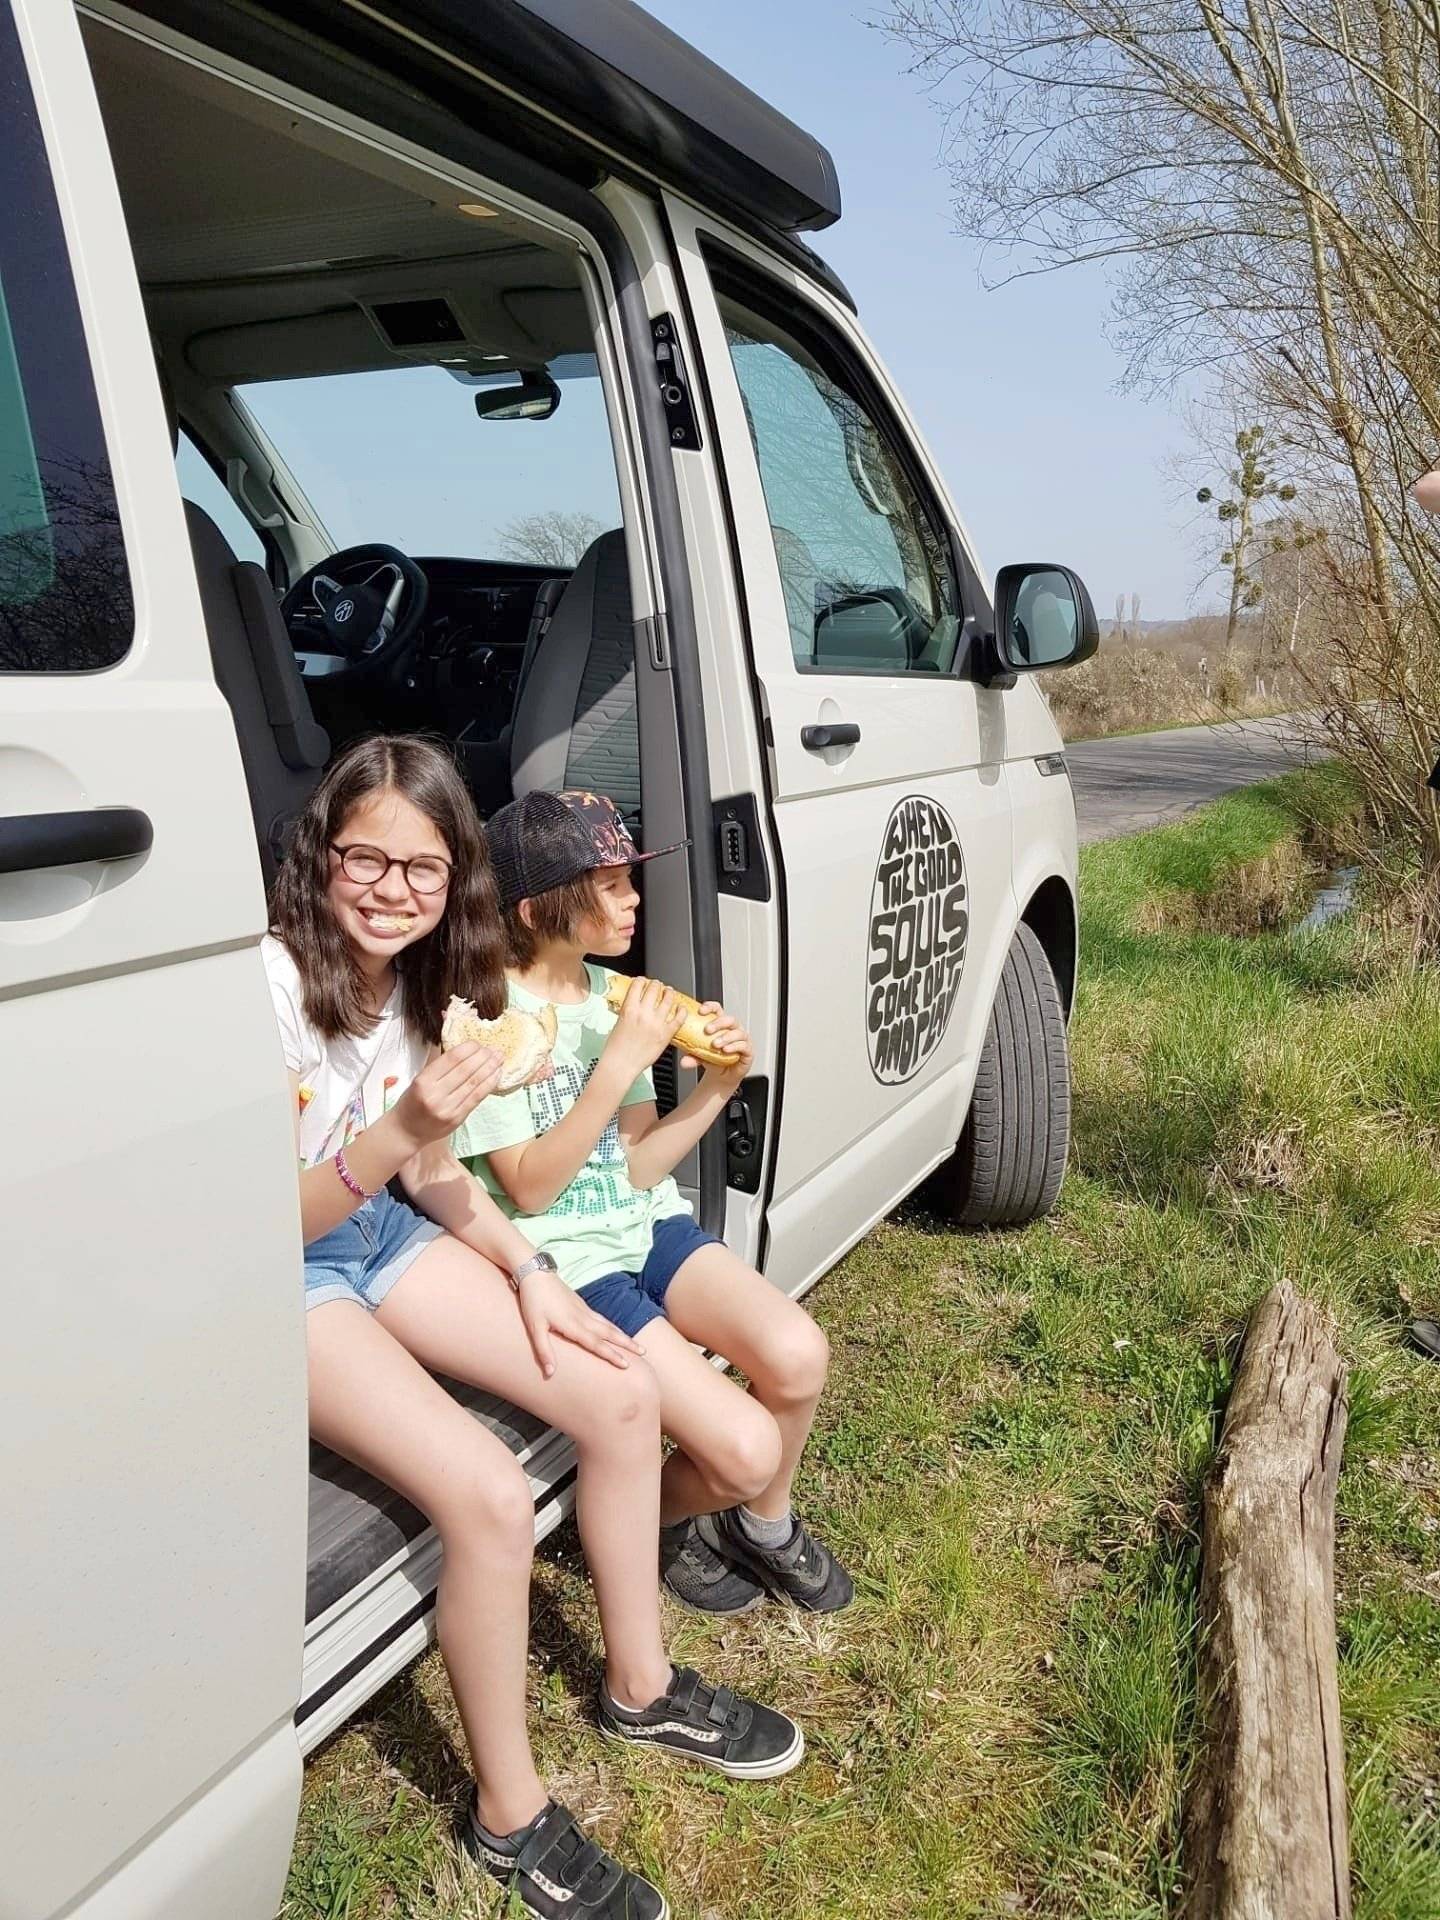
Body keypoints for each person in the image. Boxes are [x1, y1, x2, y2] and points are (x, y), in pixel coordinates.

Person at [267, 737, 803, 1920]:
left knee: (618, 1391)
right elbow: (268, 1216)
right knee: (492, 1498)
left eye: (425, 867)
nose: (394, 889)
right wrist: (405, 1122)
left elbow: (444, 1178)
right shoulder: (261, 989)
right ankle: (509, 1819)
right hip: (283, 1274)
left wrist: (528, 1269)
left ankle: (641, 1683)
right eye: (368, 858)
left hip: (384, 1237)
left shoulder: (423, 987)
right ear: (321, 854)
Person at [453, 788, 854, 1617]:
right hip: (568, 1262)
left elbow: (634, 1168)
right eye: (611, 884)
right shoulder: (481, 1017)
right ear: (534, 910)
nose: (635, 898)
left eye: (630, 878)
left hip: (642, 1225)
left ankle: (763, 1527)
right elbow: (528, 1184)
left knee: (799, 1354)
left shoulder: (613, 995)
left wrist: (718, 1085)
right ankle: (657, 1519)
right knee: (744, 1451)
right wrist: (618, 1061)